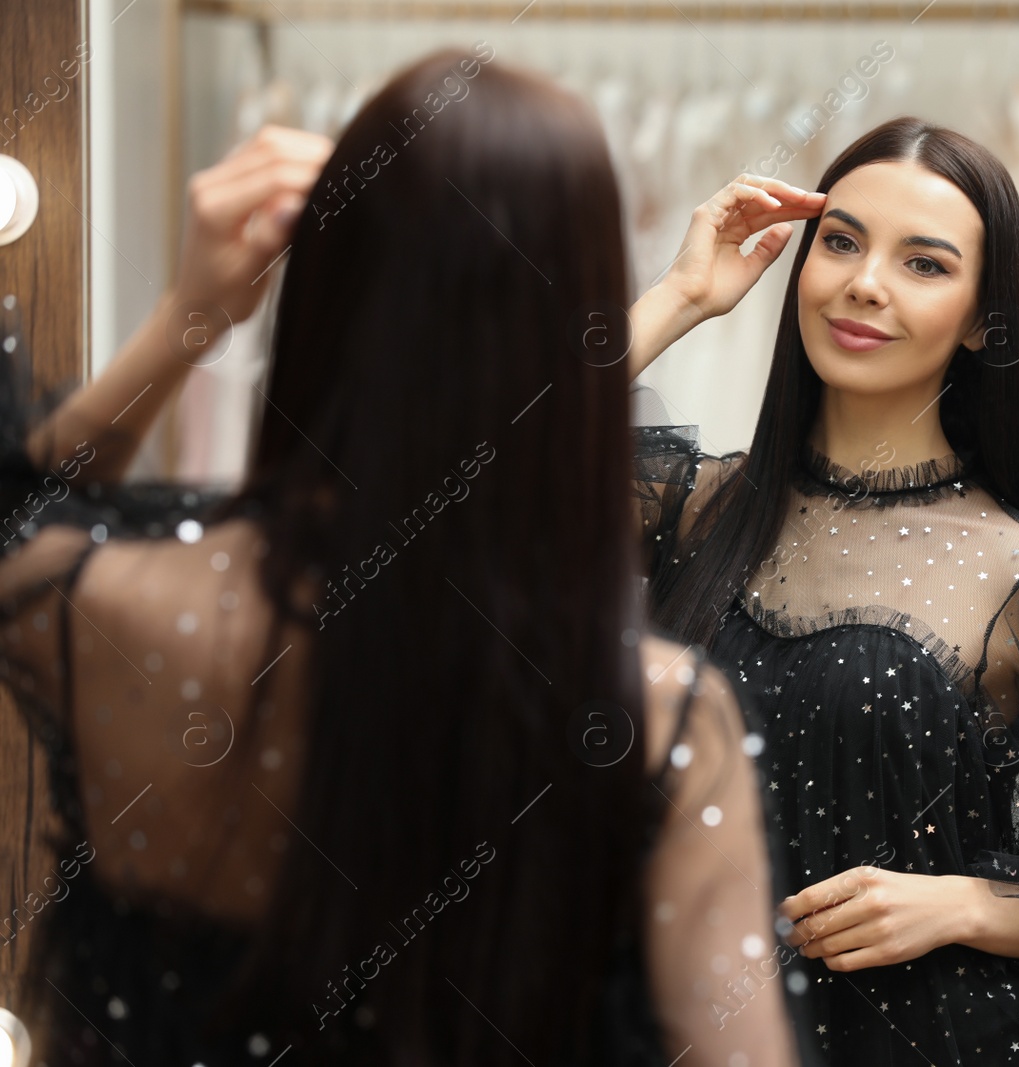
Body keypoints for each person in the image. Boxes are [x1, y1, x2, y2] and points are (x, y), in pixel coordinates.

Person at [0, 48, 803, 1067]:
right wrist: (670, 301)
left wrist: (188, 316)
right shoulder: (649, 718)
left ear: (322, 286)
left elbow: (18, 511)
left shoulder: (112, 613)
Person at [623, 116, 1019, 1065]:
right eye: (842, 242)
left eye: (925, 264)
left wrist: (966, 902)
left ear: (986, 317)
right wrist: (682, 295)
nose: (865, 282)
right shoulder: (687, 505)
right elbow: (468, 481)